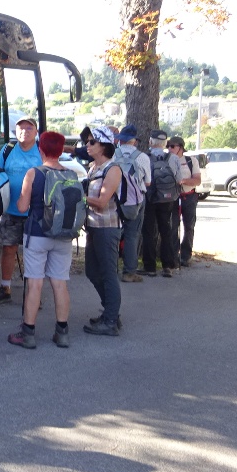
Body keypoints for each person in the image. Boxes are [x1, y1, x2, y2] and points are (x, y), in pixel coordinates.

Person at [7, 131, 74, 349]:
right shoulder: (71, 174)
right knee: (60, 283)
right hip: (63, 235)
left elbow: (22, 207)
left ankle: (28, 333)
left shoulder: (33, 173)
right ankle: (62, 332)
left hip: (37, 233)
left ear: (41, 149)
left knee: (35, 283)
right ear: (61, 150)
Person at [0, 117, 41, 305]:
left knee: (34, 253)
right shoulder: (8, 149)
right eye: (20, 128)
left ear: (36, 132)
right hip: (10, 209)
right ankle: (5, 288)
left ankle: (33, 293)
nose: (24, 131)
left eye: (29, 128)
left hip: (35, 211)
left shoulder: (41, 151)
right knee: (8, 249)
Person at [82, 126, 123, 336]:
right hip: (94, 227)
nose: (87, 145)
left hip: (107, 228)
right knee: (92, 271)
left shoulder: (112, 169)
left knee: (108, 274)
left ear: (104, 145)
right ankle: (111, 313)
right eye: (87, 142)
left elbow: (102, 201)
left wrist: (78, 195)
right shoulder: (93, 168)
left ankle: (110, 319)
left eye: (91, 142)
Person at [142, 129, 186, 277]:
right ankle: (168, 265)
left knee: (148, 232)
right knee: (166, 231)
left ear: (150, 142)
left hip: (149, 198)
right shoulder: (173, 158)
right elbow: (179, 179)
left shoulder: (144, 157)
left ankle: (150, 267)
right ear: (165, 143)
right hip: (168, 199)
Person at [114, 125, 151, 282]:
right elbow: (148, 182)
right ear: (134, 140)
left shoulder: (112, 155)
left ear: (121, 140)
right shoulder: (142, 157)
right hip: (136, 200)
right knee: (132, 236)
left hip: (114, 198)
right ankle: (129, 271)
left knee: (112, 234)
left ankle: (111, 269)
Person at [168, 135, 201, 267]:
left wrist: (184, 181)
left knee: (189, 226)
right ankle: (174, 255)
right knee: (173, 226)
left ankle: (186, 255)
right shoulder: (167, 160)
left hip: (189, 196)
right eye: (168, 146)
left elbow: (197, 180)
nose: (169, 149)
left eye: (172, 146)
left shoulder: (191, 161)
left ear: (180, 148)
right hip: (173, 198)